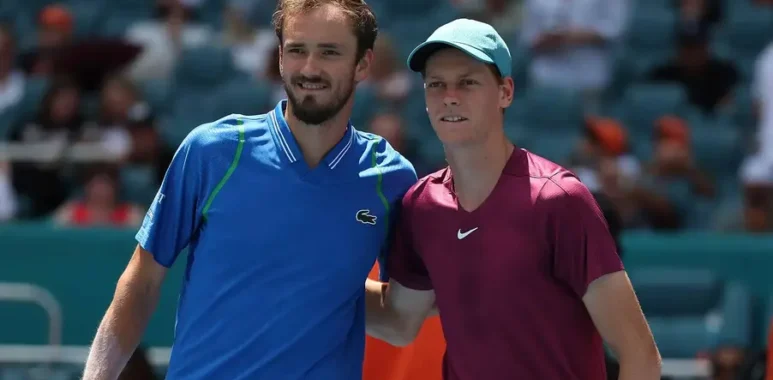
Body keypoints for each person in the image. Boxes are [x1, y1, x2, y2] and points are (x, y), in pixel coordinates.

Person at [82, 1, 417, 379]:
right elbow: (141, 283)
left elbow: (398, 321)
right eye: (297, 50)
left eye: (329, 52)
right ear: (279, 58)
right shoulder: (211, 151)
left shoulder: (391, 178)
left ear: (363, 64)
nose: (309, 68)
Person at [365, 19, 662, 379]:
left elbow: (640, 356)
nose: (450, 96)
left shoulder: (559, 200)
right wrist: (309, 276)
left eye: (468, 82)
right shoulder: (421, 207)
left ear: (506, 91)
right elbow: (399, 321)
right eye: (436, 84)